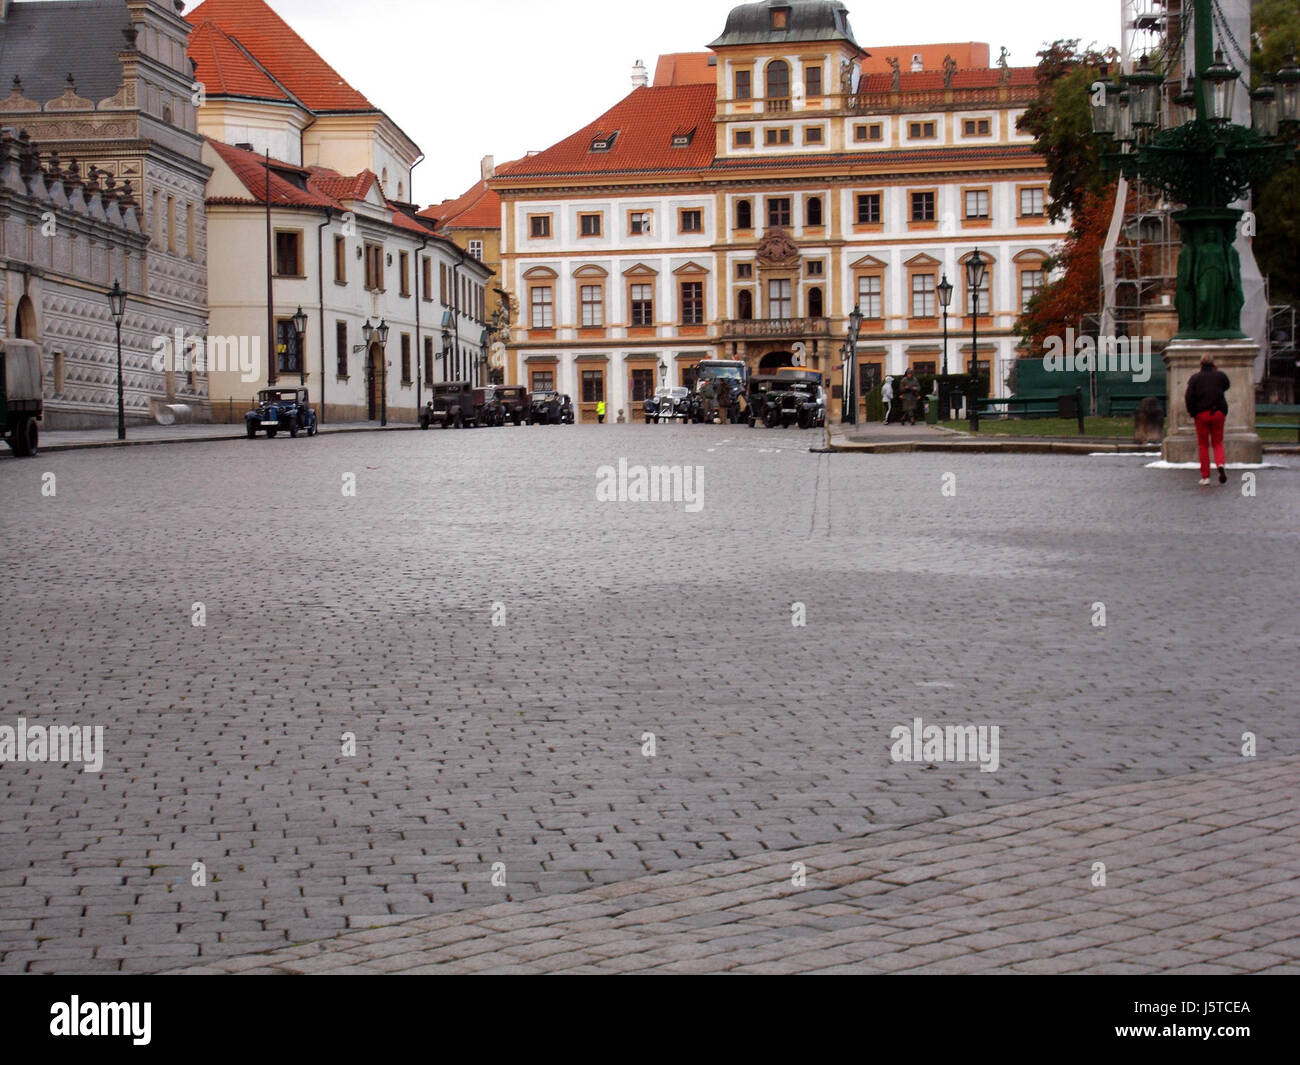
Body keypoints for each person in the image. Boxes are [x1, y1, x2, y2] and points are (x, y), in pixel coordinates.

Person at [1184, 353, 1230, 485]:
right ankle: (1220, 464)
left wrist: (1193, 412)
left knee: (1203, 445)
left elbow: (1189, 397)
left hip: (1201, 414)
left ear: (1200, 364)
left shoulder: (1195, 378)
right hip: (1218, 412)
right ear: (1213, 364)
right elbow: (1226, 385)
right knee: (1218, 442)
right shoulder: (1220, 376)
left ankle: (1205, 476)